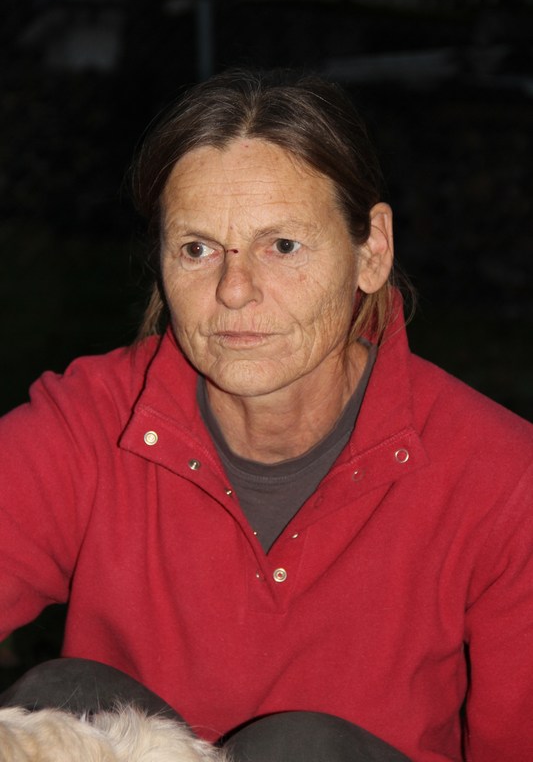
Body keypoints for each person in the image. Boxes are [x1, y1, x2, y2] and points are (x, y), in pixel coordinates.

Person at [0, 68, 532, 762]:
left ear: (371, 251)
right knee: (64, 698)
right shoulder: (89, 425)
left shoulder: (500, 479)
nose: (234, 290)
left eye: (282, 245)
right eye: (196, 249)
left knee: (299, 749)